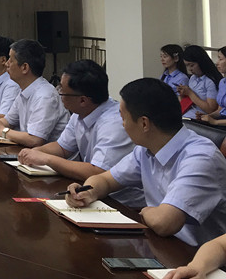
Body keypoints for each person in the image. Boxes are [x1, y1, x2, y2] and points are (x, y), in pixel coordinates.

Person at [65, 78, 226, 246]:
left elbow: (164, 223)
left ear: (144, 123)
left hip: (197, 256)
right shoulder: (146, 150)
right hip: (162, 245)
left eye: (123, 118)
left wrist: (145, 211)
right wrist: (87, 193)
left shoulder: (201, 158)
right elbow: (105, 179)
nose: (122, 125)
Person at [16, 59, 142, 207]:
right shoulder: (81, 111)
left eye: (62, 91)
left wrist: (47, 159)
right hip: (93, 195)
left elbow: (97, 171)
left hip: (123, 205)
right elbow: (62, 147)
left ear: (83, 100)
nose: (59, 93)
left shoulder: (114, 123)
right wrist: (36, 152)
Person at [0, 39, 69, 147]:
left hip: (49, 156)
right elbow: (8, 121)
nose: (7, 64)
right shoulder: (24, 90)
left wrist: (1, 130)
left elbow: (34, 139)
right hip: (29, 153)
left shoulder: (45, 96)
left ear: (24, 67)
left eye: (11, 60)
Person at [177, 45, 220, 118]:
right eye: (187, 66)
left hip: (199, 118)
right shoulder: (193, 78)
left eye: (192, 65)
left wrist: (190, 93)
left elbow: (210, 110)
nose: (189, 69)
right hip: (186, 115)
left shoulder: (210, 81)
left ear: (201, 62)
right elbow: (188, 103)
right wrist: (182, 94)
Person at [197, 46, 226, 125]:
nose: (217, 63)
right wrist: (208, 116)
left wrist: (215, 122)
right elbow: (220, 111)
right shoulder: (222, 82)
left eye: (220, 59)